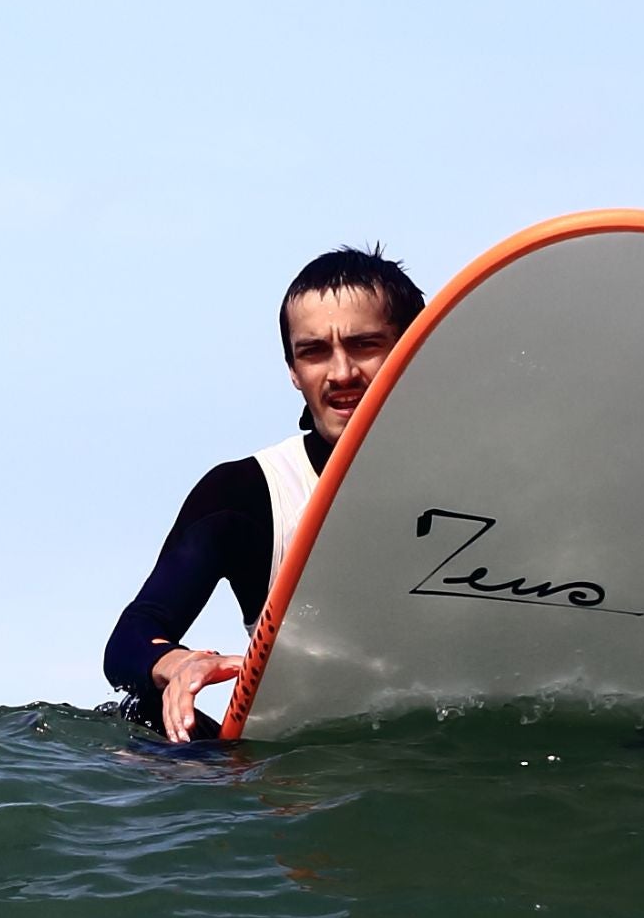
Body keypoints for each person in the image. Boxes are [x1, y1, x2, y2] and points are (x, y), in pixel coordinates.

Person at [105, 246, 425, 742]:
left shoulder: (505, 478)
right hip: (303, 769)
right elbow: (130, 637)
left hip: (463, 753)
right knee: (136, 715)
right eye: (313, 352)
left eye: (364, 345)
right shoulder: (249, 494)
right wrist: (177, 663)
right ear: (293, 372)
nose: (341, 373)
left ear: (415, 349)